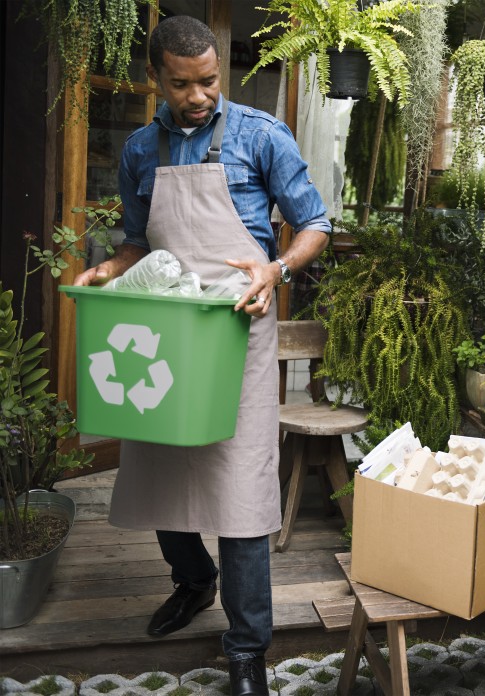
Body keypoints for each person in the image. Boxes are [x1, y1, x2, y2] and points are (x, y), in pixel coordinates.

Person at [73, 16, 330, 696]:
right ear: (156, 77)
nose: (198, 96)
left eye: (210, 81)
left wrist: (276, 269)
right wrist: (109, 270)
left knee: (241, 492)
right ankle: (192, 580)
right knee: (160, 473)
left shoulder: (260, 135)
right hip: (166, 334)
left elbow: (315, 223)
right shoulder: (140, 149)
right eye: (182, 84)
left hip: (237, 331)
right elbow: (138, 242)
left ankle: (246, 651)